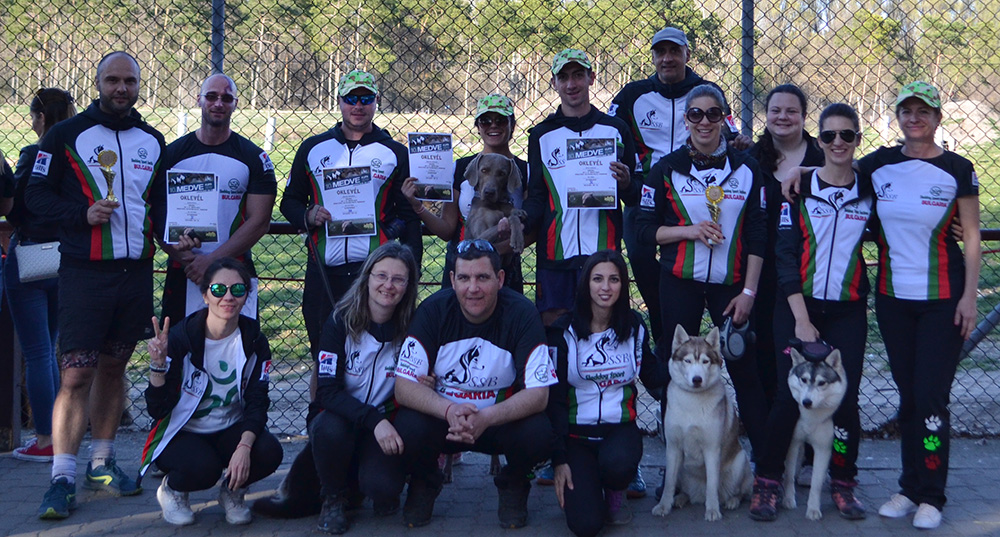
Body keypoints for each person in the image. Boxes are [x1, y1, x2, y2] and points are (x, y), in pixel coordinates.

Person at [26, 51, 167, 520]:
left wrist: (180, 237)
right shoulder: (64, 135)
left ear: (139, 85)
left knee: (113, 368)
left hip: (136, 273)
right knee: (75, 375)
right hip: (84, 272)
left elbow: (161, 205)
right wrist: (80, 215)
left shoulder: (153, 140)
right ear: (98, 83)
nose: (121, 88)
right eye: (113, 80)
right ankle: (62, 477)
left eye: (129, 81)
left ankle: (102, 463)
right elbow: (34, 195)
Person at [749, 103, 872, 521]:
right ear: (818, 140)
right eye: (829, 135)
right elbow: (785, 257)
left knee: (846, 399)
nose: (838, 142)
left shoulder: (870, 189)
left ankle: (844, 482)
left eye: (846, 135)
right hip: (797, 306)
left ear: (857, 140)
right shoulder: (798, 189)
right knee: (788, 397)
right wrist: (801, 320)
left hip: (848, 308)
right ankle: (767, 481)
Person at [866, 82, 980, 530]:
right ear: (897, 116)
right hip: (893, 300)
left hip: (943, 302)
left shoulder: (957, 169)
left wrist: (969, 297)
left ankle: (932, 494)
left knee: (931, 398)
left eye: (924, 111)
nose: (914, 118)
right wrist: (800, 170)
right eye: (907, 111)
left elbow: (972, 236)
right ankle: (909, 487)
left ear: (937, 118)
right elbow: (835, 166)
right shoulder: (878, 164)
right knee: (909, 397)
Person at [634, 84, 769, 463]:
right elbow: (644, 231)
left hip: (732, 287)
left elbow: (759, 234)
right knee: (673, 371)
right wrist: (689, 231)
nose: (704, 121)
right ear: (686, 119)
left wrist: (749, 293)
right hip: (680, 282)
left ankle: (766, 469)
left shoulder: (747, 169)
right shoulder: (666, 169)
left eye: (713, 114)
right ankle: (674, 471)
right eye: (696, 114)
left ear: (724, 118)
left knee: (744, 369)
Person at [392, 239, 556, 529]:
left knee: (539, 432)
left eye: (482, 277)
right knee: (407, 424)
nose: (473, 288)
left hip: (498, 421)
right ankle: (425, 481)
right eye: (464, 278)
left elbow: (539, 394)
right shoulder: (432, 311)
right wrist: (449, 411)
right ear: (452, 280)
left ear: (500, 279)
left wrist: (486, 417)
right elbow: (403, 387)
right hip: (446, 421)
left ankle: (514, 482)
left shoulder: (522, 313)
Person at [610, 26, 750, 348]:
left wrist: (740, 141)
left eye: (675, 51)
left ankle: (721, 332)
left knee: (705, 260)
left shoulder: (705, 90)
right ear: (653, 57)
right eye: (661, 52)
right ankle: (665, 332)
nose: (668, 58)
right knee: (642, 260)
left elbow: (728, 131)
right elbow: (608, 130)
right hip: (645, 192)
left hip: (694, 195)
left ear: (687, 54)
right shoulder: (633, 94)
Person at [280, 69, 420, 364]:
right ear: (340, 101)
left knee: (370, 353)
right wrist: (308, 214)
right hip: (323, 269)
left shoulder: (395, 152)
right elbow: (289, 201)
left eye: (366, 99)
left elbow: (408, 216)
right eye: (351, 98)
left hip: (372, 272)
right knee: (323, 352)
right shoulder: (313, 148)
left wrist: (410, 266)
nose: (358, 105)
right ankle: (321, 396)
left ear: (376, 101)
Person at [140, 257, 282, 526]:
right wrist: (158, 367)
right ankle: (173, 490)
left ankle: (232, 491)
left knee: (268, 451)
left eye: (237, 290)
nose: (228, 297)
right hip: (183, 431)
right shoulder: (181, 338)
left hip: (229, 427)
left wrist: (244, 446)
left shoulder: (254, 340)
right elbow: (157, 409)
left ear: (246, 296)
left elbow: (258, 400)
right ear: (205, 295)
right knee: (204, 469)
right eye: (218, 290)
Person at [546, 250, 665, 537]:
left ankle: (615, 489)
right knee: (586, 526)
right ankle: (585, 487)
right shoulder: (563, 332)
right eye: (598, 279)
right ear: (586, 283)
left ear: (623, 285)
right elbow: (555, 399)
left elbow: (652, 375)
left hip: (619, 430)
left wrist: (688, 362)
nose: (606, 287)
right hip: (577, 437)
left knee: (617, 464)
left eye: (614, 279)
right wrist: (559, 459)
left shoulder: (634, 326)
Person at [306, 242, 418, 534]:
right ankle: (332, 498)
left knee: (383, 488)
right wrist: (373, 420)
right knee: (329, 429)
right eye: (381, 276)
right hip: (339, 417)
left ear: (408, 286)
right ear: (367, 277)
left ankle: (368, 480)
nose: (388, 285)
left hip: (383, 422)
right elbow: (326, 392)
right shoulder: (339, 321)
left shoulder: (413, 327)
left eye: (398, 279)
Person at [524, 48, 637, 327]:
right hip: (556, 254)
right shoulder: (542, 135)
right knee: (555, 330)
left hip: (603, 254)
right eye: (563, 77)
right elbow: (537, 196)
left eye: (578, 75)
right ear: (554, 82)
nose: (571, 84)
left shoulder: (615, 129)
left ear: (591, 78)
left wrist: (626, 184)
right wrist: (518, 220)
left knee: (604, 328)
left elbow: (636, 194)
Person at [160, 73, 276, 322]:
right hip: (185, 270)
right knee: (179, 343)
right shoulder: (172, 155)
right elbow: (155, 215)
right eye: (211, 96)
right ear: (199, 99)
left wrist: (212, 261)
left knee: (238, 344)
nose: (219, 103)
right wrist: (183, 257)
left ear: (236, 104)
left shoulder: (254, 157)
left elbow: (260, 221)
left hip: (235, 269)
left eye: (227, 98)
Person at [2, 89, 76, 463]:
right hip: (66, 257)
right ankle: (59, 436)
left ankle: (45, 438)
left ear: (41, 117)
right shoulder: (76, 154)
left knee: (37, 353)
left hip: (30, 255)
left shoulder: (34, 154)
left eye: (33, 116)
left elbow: (15, 209)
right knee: (51, 349)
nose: (31, 123)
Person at [403, 93, 527, 293]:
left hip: (505, 266)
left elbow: (531, 229)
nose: (493, 126)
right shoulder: (460, 168)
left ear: (513, 125)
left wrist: (493, 251)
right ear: (477, 126)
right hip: (462, 263)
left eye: (501, 120)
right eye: (485, 121)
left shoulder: (524, 171)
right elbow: (447, 230)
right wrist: (418, 207)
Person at [750, 84, 824, 406]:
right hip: (760, 266)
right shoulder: (751, 158)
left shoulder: (821, 155)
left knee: (807, 349)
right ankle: (771, 423)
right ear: (766, 115)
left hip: (806, 269)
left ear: (804, 116)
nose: (783, 117)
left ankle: (809, 420)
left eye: (791, 111)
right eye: (775, 110)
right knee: (764, 347)